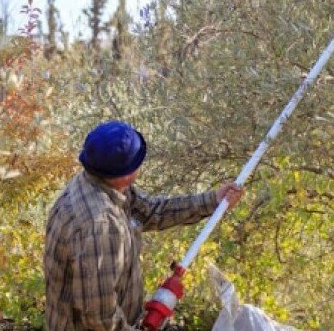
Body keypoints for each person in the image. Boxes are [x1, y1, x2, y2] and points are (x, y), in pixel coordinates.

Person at [44, 120, 244, 330]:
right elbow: (100, 319)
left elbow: (153, 211)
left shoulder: (97, 182)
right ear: (126, 174)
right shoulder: (99, 226)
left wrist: (213, 200)